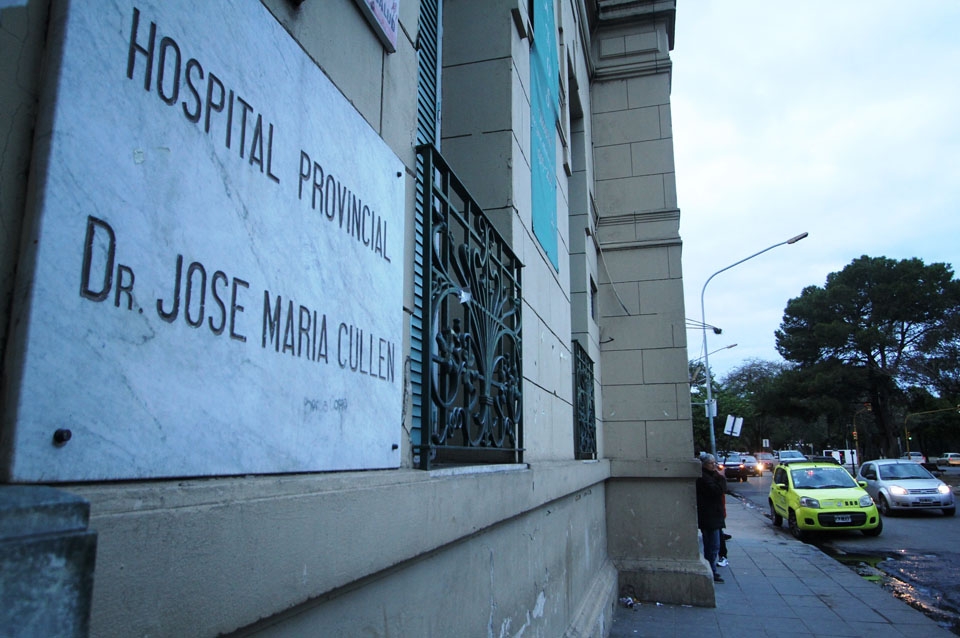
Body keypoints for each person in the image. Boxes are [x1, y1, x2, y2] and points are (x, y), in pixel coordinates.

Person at [696, 453, 727, 583]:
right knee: (712, 545)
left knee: (714, 545)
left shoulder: (712, 476)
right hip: (709, 516)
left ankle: (712, 569)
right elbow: (717, 490)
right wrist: (722, 477)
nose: (713, 465)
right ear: (704, 464)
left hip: (714, 515)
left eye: (714, 463)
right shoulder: (703, 477)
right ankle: (711, 570)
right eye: (711, 463)